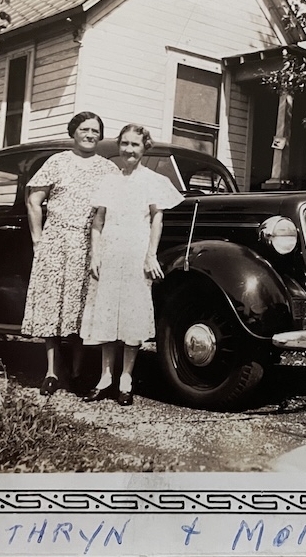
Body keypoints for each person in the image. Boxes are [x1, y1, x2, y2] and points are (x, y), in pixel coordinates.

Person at [81, 124, 184, 406]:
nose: (128, 149)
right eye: (124, 144)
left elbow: (156, 220)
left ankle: (126, 378)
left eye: (135, 145)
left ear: (144, 147)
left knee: (131, 315)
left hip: (136, 252)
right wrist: (95, 254)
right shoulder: (109, 181)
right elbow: (98, 222)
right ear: (119, 146)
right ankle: (104, 378)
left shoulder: (153, 180)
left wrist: (151, 255)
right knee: (107, 312)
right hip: (110, 251)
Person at [23, 112, 120, 396]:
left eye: (95, 131)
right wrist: (38, 240)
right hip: (57, 240)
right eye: (84, 129)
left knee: (81, 308)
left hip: (90, 242)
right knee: (52, 306)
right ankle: (52, 372)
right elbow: (34, 200)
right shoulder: (57, 162)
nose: (90, 135)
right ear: (73, 132)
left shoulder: (108, 169)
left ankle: (77, 372)